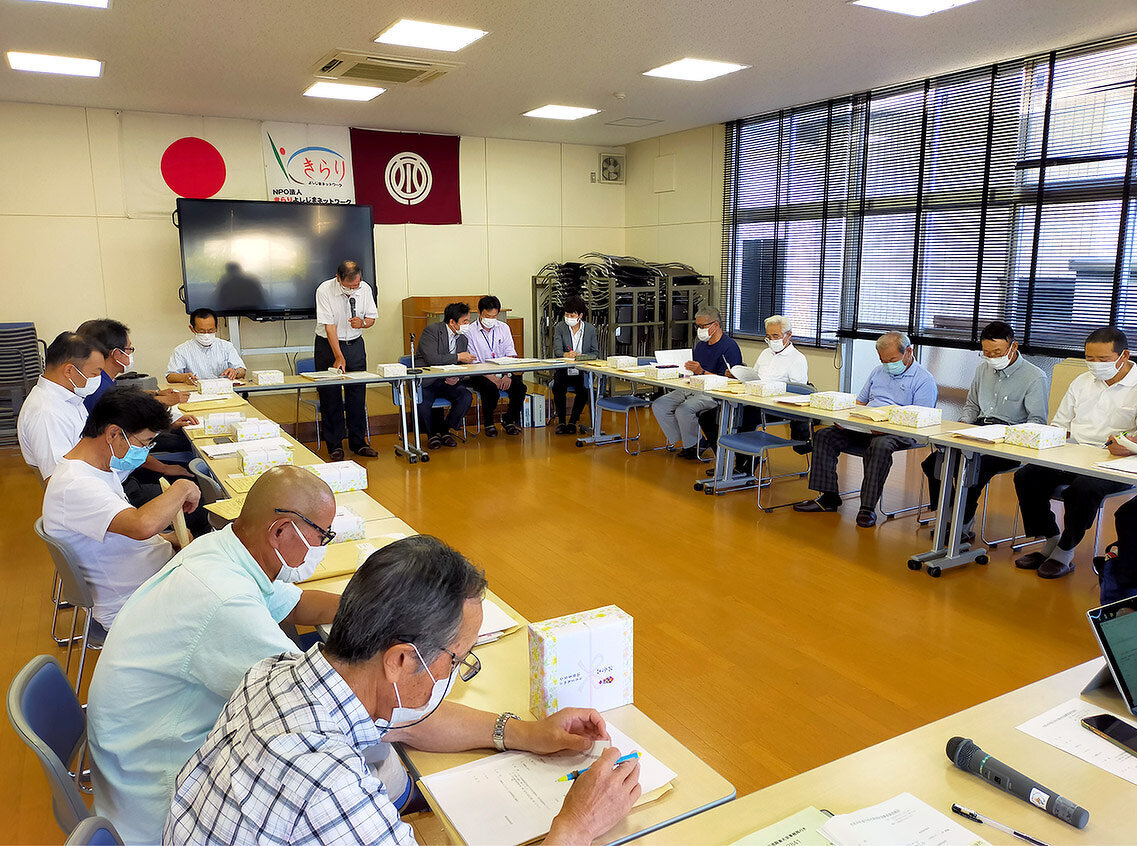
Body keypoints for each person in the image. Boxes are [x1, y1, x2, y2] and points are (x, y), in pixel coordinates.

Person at [165, 535, 641, 846]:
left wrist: (527, 733)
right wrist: (575, 829)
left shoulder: (278, 673)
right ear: (400, 660)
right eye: (456, 659)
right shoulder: (330, 788)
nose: (456, 671)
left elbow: (412, 721)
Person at [87, 466, 342, 844]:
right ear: (281, 531)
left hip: (135, 756)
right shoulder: (225, 599)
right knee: (338, 776)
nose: (322, 547)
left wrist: (376, 608)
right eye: (322, 536)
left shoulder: (222, 548)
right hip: (160, 801)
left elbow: (295, 604)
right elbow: (320, 702)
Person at [41, 388, 200, 629]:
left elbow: (119, 527)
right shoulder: (77, 484)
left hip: (149, 577)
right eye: (145, 442)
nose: (146, 450)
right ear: (114, 433)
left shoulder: (96, 468)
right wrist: (182, 488)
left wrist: (166, 539)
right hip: (134, 602)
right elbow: (140, 525)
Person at [1012, 327, 1137, 579]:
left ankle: (1065, 550)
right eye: (1090, 358)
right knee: (1026, 477)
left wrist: (1129, 444)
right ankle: (1051, 537)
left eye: (1103, 359)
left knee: (1082, 489)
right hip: (1073, 454)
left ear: (1124, 355)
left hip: (1114, 462)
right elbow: (1060, 425)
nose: (1095, 365)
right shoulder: (1081, 382)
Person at [79, 318, 213, 536]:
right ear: (115, 353)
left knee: (179, 439)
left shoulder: (102, 382)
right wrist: (164, 468)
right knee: (200, 504)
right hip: (124, 480)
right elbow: (130, 446)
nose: (131, 354)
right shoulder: (98, 389)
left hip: (122, 473)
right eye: (129, 349)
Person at [794, 331, 938, 528]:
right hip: (867, 426)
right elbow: (861, 402)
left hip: (900, 432)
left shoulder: (924, 380)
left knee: (880, 445)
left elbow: (921, 420)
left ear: (909, 352)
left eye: (892, 359)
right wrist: (846, 419)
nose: (888, 364)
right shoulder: (879, 371)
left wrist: (887, 427)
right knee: (824, 435)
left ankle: (867, 508)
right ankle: (828, 498)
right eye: (883, 360)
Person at [921, 321, 1049, 541]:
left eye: (997, 352)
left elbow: (1036, 421)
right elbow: (971, 406)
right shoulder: (983, 369)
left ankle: (961, 522)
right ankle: (950, 514)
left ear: (1013, 346)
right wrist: (961, 429)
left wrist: (1006, 437)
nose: (992, 358)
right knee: (935, 463)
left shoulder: (1034, 377)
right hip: (979, 431)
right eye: (987, 353)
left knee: (971, 469)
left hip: (1009, 441)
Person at [705, 314, 811, 465]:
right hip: (753, 401)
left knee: (743, 422)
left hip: (776, 408)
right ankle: (725, 462)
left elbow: (797, 393)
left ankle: (746, 467)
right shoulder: (765, 353)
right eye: (768, 336)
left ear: (789, 335)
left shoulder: (797, 359)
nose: (772, 340)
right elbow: (753, 377)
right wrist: (738, 376)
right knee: (709, 417)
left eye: (776, 336)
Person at [651, 306, 742, 459]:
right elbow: (694, 370)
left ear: (716, 325)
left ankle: (693, 446)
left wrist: (701, 372)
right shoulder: (700, 345)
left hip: (713, 392)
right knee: (660, 405)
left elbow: (731, 381)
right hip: (693, 386)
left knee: (684, 410)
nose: (699, 330)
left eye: (702, 326)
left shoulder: (730, 347)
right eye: (697, 326)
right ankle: (692, 441)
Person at [313, 260, 379, 460]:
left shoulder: (365, 288)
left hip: (355, 344)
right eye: (349, 286)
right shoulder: (324, 290)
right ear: (338, 278)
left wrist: (364, 323)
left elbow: (371, 318)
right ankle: (334, 445)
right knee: (330, 396)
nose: (353, 289)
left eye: (356, 285)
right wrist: (338, 355)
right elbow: (329, 326)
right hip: (328, 346)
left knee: (357, 394)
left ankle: (358, 442)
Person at [17, 331, 105, 480]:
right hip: (85, 492)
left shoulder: (68, 398)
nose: (98, 380)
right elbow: (60, 480)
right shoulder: (46, 413)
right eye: (95, 374)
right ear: (69, 371)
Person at [416, 302, 475, 449]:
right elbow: (432, 359)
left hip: (449, 381)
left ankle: (445, 430)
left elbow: (463, 366)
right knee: (423, 403)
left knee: (466, 397)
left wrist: (457, 376)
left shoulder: (463, 338)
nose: (467, 325)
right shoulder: (432, 331)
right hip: (428, 380)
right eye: (464, 322)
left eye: (468, 321)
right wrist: (458, 357)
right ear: (452, 322)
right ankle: (431, 436)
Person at [465, 295, 526, 437]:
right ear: (479, 313)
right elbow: (474, 361)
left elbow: (510, 354)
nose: (491, 320)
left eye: (494, 316)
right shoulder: (470, 331)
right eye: (487, 316)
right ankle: (489, 423)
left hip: (503, 371)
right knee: (490, 389)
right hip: (480, 373)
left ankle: (509, 420)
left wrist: (507, 375)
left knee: (520, 388)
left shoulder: (503, 328)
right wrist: (493, 379)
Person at [552, 295, 599, 434]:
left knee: (584, 390)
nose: (569, 318)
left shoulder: (590, 329)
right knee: (558, 388)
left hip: (581, 370)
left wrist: (581, 357)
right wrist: (565, 355)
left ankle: (572, 421)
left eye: (572, 315)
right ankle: (561, 422)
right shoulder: (560, 327)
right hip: (564, 369)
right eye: (566, 315)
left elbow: (595, 353)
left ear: (580, 315)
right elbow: (557, 351)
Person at [166, 308, 247, 385]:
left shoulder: (226, 346)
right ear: (192, 329)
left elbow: (242, 371)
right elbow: (170, 376)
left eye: (210, 330)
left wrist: (235, 372)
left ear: (217, 327)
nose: (206, 334)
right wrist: (184, 377)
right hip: (196, 393)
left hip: (224, 392)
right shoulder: (182, 350)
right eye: (202, 331)